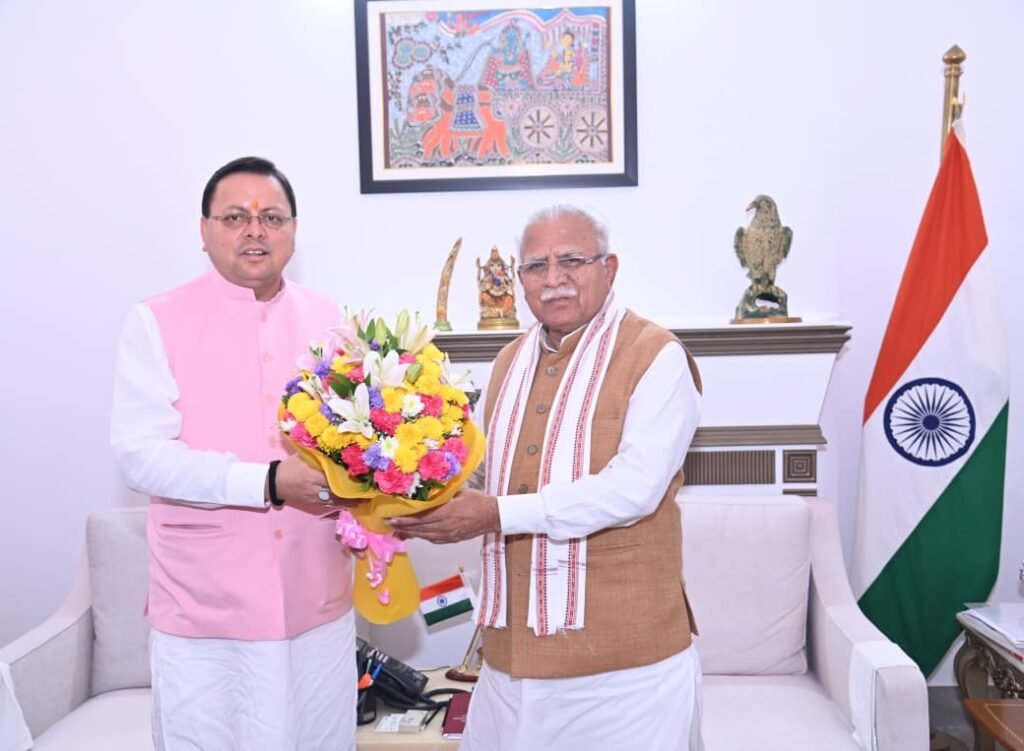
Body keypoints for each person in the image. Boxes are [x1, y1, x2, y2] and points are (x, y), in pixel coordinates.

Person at [390, 205, 705, 750]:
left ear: (609, 267)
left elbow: (634, 489)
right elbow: (483, 471)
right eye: (537, 266)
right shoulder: (508, 361)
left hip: (625, 672)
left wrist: (495, 514)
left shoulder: (657, 356)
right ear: (519, 281)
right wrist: (395, 489)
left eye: (572, 261)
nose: (554, 278)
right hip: (510, 662)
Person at [110, 156, 356, 750]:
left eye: (271, 217)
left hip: (316, 604)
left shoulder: (332, 321)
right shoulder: (155, 320)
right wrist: (267, 482)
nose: (254, 230)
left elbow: (358, 441)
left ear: (293, 230)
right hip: (207, 611)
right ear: (204, 230)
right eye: (235, 217)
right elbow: (141, 455)